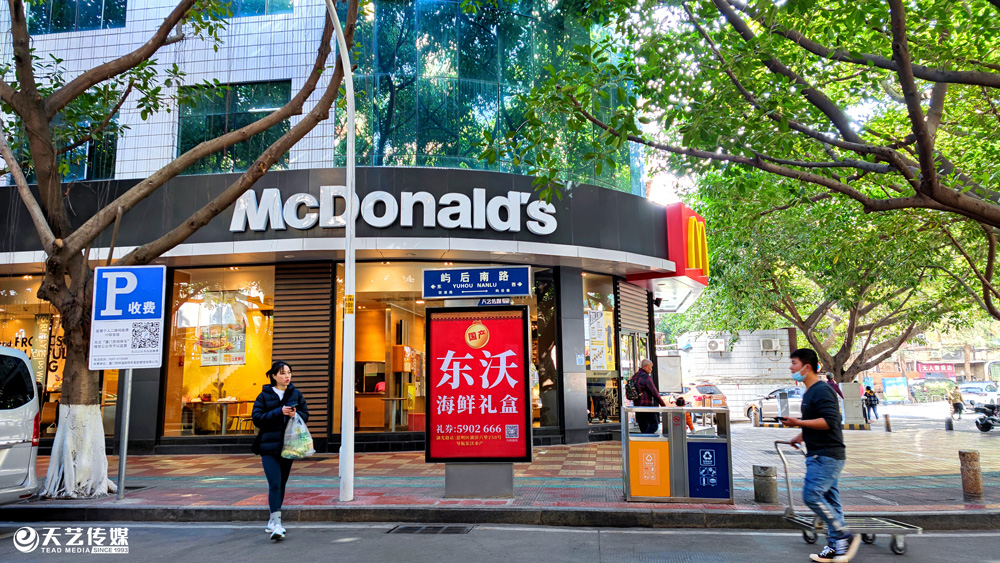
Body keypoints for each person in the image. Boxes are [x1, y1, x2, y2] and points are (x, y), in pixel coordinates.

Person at [780, 349, 859, 563]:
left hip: (827, 455)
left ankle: (843, 534)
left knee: (812, 495)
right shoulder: (810, 392)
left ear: (806, 367)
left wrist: (798, 423)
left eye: (794, 363)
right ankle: (837, 547)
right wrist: (800, 435)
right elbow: (817, 421)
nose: (791, 368)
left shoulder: (822, 390)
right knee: (831, 501)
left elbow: (830, 422)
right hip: (820, 454)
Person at [252, 360, 309, 541]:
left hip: (289, 446)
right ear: (274, 376)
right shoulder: (264, 395)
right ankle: (277, 523)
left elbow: (306, 414)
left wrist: (295, 414)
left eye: (289, 372)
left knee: (282, 483)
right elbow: (257, 418)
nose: (287, 376)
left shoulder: (295, 394)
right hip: (269, 447)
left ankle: (272, 519)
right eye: (283, 373)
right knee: (275, 482)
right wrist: (279, 412)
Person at [631, 359, 665, 433]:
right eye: (651, 367)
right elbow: (654, 392)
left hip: (637, 406)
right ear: (646, 367)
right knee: (654, 425)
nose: (651, 369)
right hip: (646, 406)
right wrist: (663, 404)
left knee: (643, 427)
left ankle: (644, 439)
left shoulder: (634, 376)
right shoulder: (646, 377)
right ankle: (642, 438)